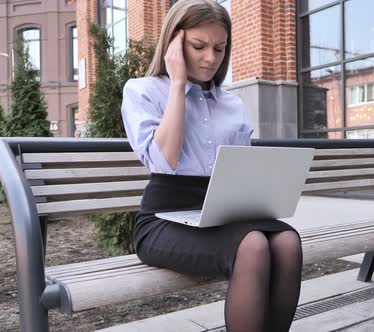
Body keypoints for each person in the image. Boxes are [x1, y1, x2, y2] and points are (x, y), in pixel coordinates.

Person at [120, 1, 302, 331]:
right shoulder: (142, 91)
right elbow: (164, 160)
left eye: (219, 48)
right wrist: (177, 85)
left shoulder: (232, 103)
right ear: (174, 43)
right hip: (164, 219)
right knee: (254, 245)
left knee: (287, 241)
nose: (211, 58)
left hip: (220, 214)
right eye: (199, 46)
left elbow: (243, 169)